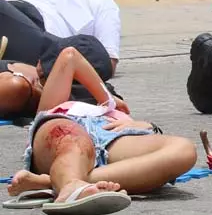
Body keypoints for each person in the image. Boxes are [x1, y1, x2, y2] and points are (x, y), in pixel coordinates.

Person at [6, 46, 196, 213]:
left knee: (184, 150)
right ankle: (70, 185)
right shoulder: (55, 105)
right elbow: (70, 56)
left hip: (110, 133)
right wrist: (107, 100)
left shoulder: (110, 109)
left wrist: (145, 125)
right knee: (75, 143)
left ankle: (56, 182)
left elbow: (71, 56)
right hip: (65, 124)